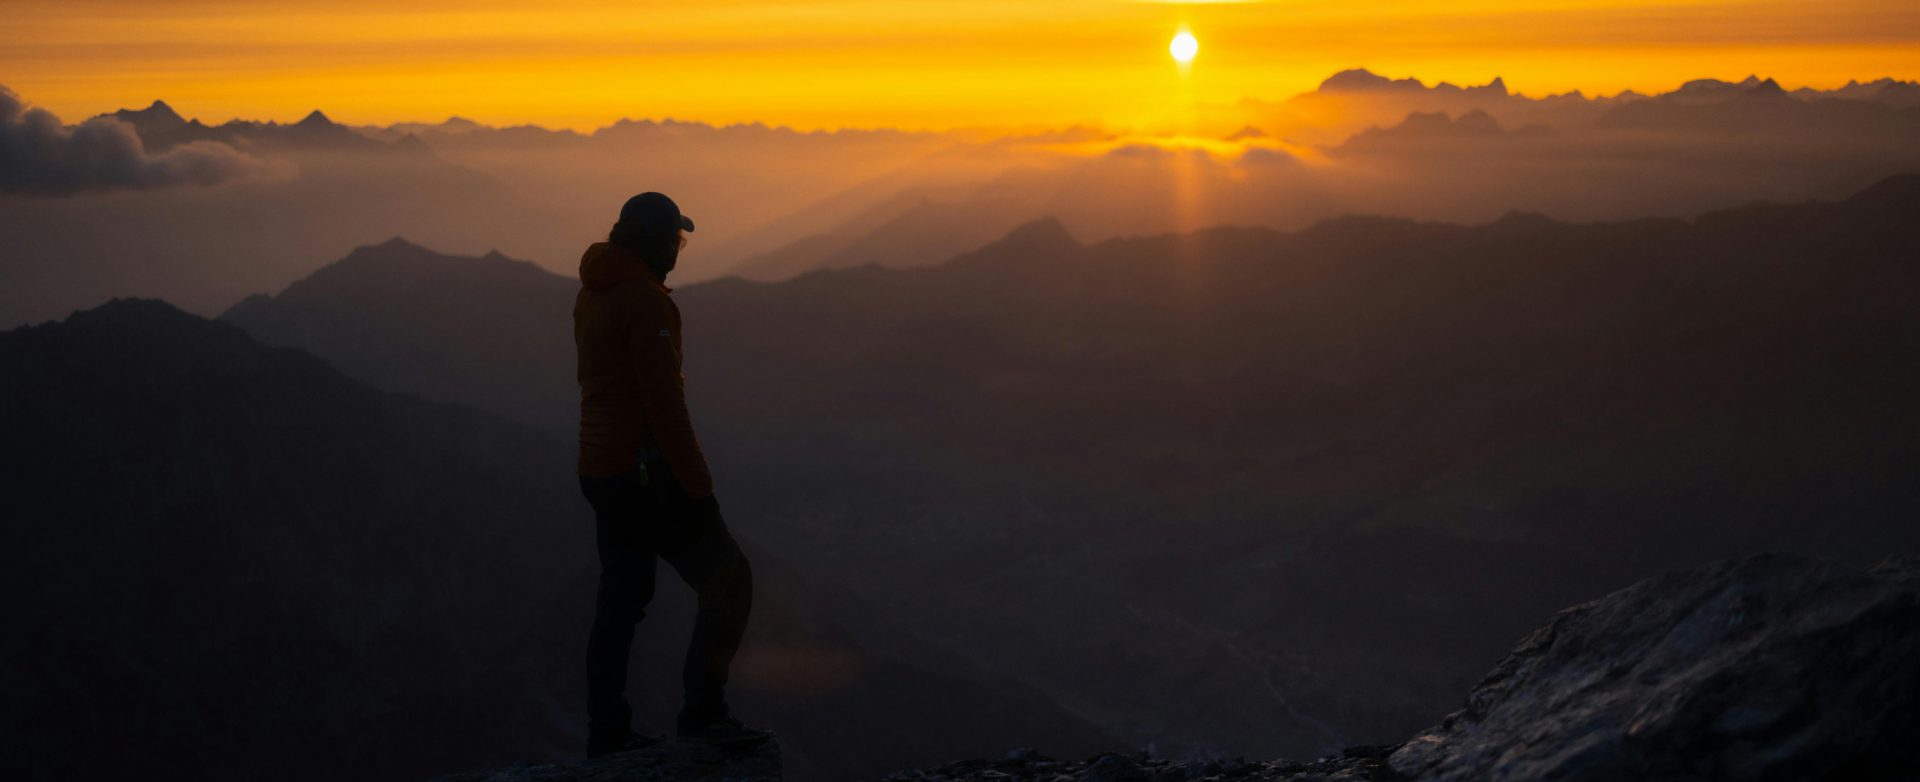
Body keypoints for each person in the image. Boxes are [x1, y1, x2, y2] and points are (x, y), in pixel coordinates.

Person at [573, 192, 767, 756]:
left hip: (600, 469)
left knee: (621, 602)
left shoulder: (593, 290)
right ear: (658, 244)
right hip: (645, 473)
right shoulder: (645, 303)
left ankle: (606, 733)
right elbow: (665, 407)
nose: (680, 252)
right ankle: (704, 715)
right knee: (729, 580)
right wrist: (698, 484)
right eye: (676, 242)